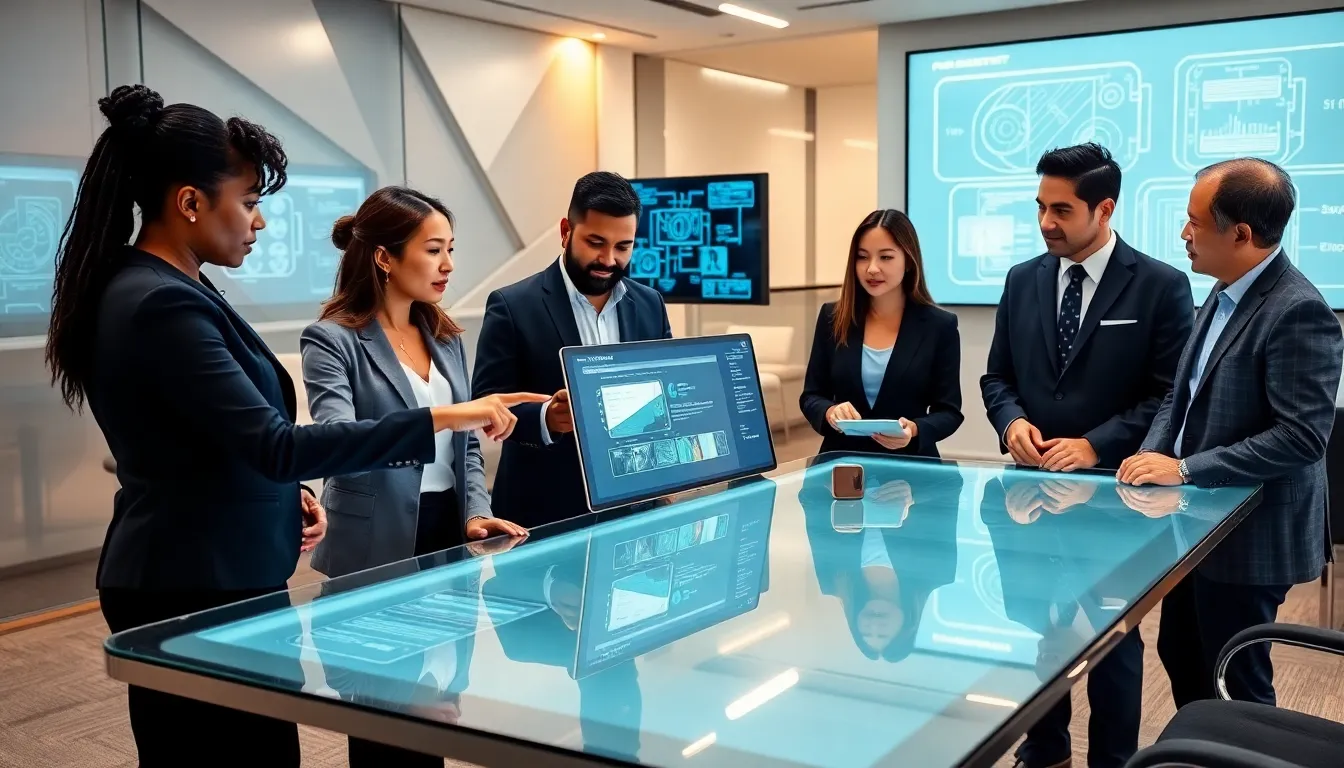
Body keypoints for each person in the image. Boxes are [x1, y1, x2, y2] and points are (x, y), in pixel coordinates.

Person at [44, 84, 543, 767]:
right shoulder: (162, 303)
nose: (258, 222)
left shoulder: (166, 289)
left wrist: (285, 501)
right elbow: (276, 444)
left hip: (212, 568)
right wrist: (448, 414)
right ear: (191, 203)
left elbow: (212, 441)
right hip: (192, 582)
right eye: (247, 202)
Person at [300, 186, 532, 767]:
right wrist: (447, 415)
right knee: (385, 722)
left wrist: (475, 510)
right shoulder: (332, 340)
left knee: (438, 708)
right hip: (374, 550)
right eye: (434, 250)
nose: (449, 265)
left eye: (450, 249)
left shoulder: (446, 336)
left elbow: (466, 450)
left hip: (446, 536)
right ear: (385, 257)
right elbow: (338, 445)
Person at [980, 143, 1193, 768]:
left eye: (1062, 210)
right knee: (1041, 632)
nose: (1047, 221)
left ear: (1104, 209)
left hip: (1113, 499)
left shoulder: (1159, 285)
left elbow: (1167, 396)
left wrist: (1095, 444)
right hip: (1028, 495)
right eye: (1041, 207)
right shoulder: (1022, 280)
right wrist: (1011, 420)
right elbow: (997, 378)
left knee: (1113, 651)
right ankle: (1043, 752)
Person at [1119, 158, 1344, 709]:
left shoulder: (1299, 309)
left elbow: (1299, 438)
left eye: (1195, 222)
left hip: (1252, 531)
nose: (1183, 234)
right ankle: (1204, 751)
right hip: (1198, 524)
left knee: (1235, 678)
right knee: (1181, 650)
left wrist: (1185, 469)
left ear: (1240, 234)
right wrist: (1151, 453)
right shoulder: (1221, 292)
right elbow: (1184, 393)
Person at [472, 172, 673, 527]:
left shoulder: (650, 304)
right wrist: (546, 418)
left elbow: (666, 387)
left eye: (623, 247)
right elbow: (488, 402)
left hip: (636, 507)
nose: (608, 259)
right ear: (566, 231)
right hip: (543, 511)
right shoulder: (512, 305)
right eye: (595, 242)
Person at [800, 209, 963, 457]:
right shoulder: (832, 317)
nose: (872, 269)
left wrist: (915, 430)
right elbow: (812, 396)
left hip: (911, 472)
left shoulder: (940, 326)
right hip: (841, 464)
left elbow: (949, 412)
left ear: (908, 261)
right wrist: (830, 413)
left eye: (885, 257)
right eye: (862, 257)